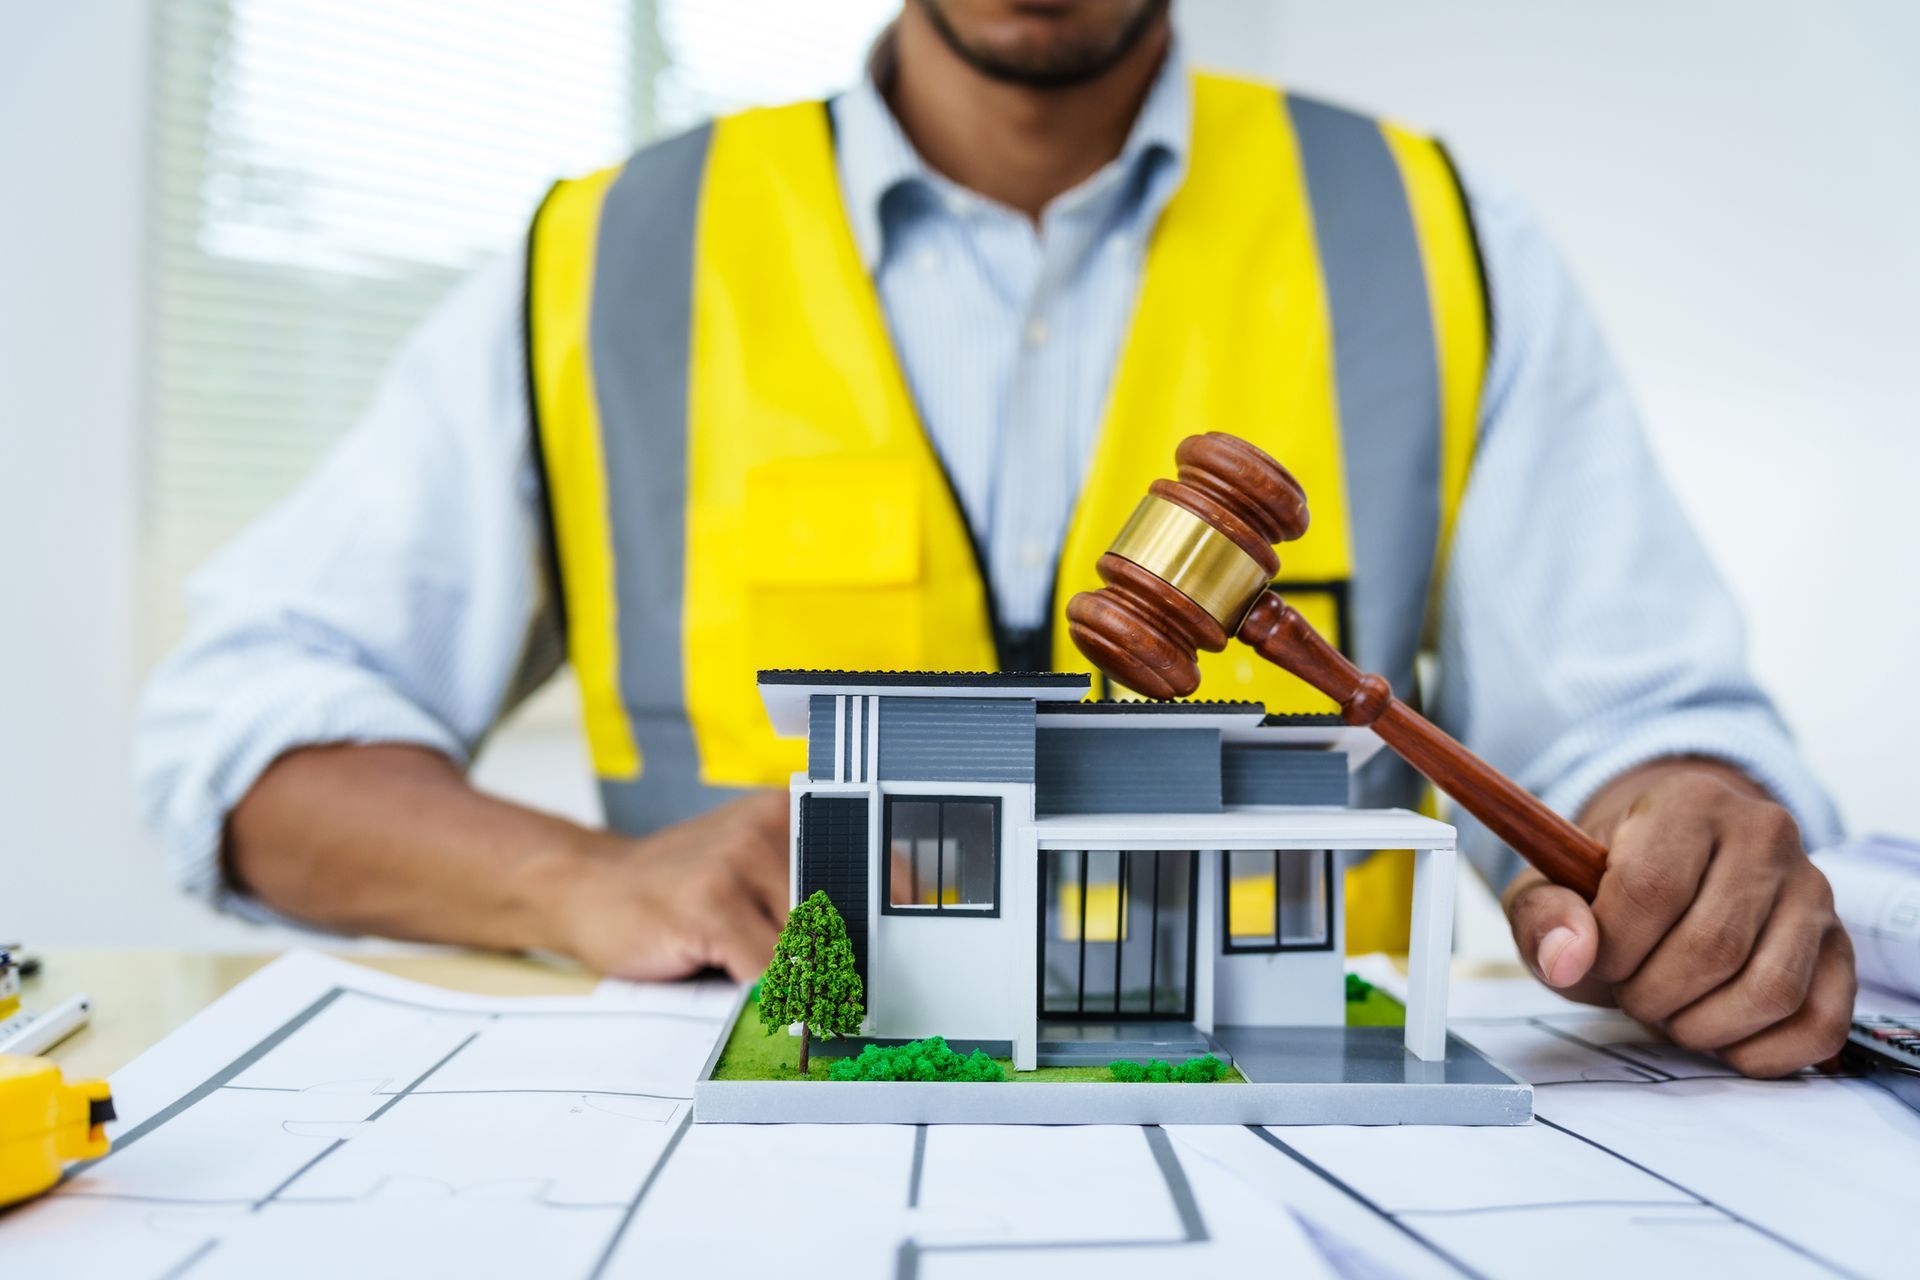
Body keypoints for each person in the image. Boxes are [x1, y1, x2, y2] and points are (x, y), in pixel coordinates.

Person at [136, 0, 1854, 1077]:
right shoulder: (611, 257)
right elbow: (242, 737)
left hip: (1293, 1162)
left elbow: (1637, 731)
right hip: (742, 1182)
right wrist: (576, 876)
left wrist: (1684, 818)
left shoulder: (1432, 235)